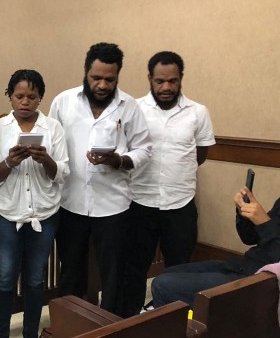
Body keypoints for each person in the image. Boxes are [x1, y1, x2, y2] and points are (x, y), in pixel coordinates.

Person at [48, 42, 152, 314]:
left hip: (113, 206)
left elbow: (144, 149)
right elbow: (51, 144)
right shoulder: (63, 101)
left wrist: (118, 160)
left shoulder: (129, 106)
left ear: (118, 76)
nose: (103, 85)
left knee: (114, 274)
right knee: (71, 271)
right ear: (85, 72)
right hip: (70, 203)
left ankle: (109, 327)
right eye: (96, 78)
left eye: (110, 79)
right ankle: (70, 325)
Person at [117, 51, 216, 317]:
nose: (166, 87)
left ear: (181, 78)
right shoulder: (134, 109)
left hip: (180, 203)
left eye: (172, 81)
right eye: (160, 81)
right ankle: (130, 320)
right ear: (150, 78)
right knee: (134, 267)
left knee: (180, 270)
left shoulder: (198, 112)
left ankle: (175, 322)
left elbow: (201, 155)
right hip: (139, 200)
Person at [0, 69, 69, 338]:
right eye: (19, 96)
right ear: (10, 96)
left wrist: (45, 159)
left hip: (44, 213)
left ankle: (31, 333)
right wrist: (10, 161)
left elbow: (62, 173)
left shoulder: (53, 127)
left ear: (40, 98)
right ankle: (1, 333)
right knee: (6, 278)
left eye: (32, 97)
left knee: (35, 280)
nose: (25, 102)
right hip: (6, 214)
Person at [152, 187, 280, 307]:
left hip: (258, 279)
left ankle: (180, 328)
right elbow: (250, 238)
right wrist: (244, 212)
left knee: (163, 284)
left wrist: (265, 223)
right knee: (169, 273)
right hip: (243, 265)